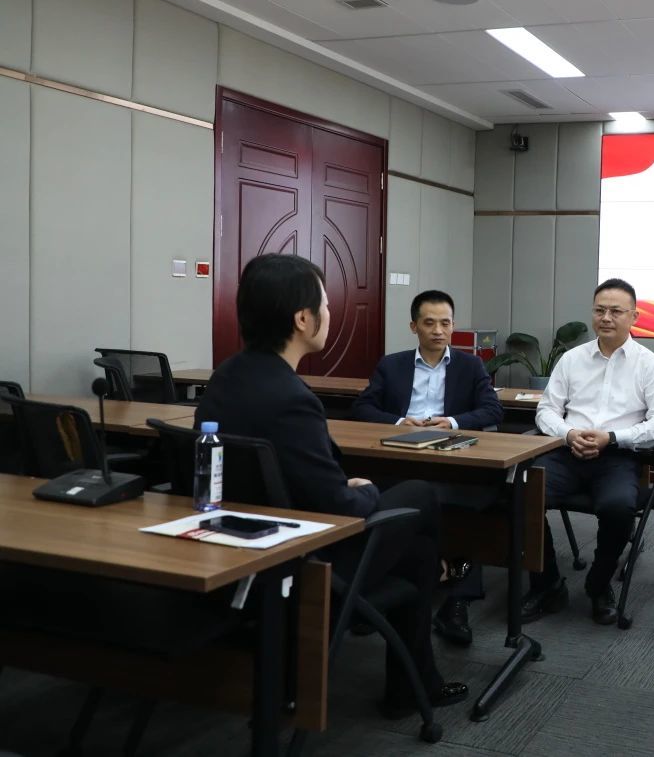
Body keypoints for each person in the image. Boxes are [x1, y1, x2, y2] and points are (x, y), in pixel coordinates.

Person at [195, 254, 467, 718]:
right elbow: (341, 506)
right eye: (325, 303)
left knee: (417, 553)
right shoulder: (292, 398)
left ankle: (415, 681)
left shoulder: (225, 376)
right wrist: (363, 488)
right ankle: (412, 681)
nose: (330, 312)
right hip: (304, 558)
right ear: (303, 319)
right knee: (419, 497)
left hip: (238, 539)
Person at [520, 278, 654, 626]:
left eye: (616, 311)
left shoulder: (648, 364)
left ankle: (598, 585)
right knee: (521, 493)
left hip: (617, 456)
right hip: (567, 452)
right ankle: (547, 584)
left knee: (619, 508)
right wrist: (568, 433)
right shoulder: (572, 359)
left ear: (634, 316)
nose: (606, 318)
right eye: (599, 310)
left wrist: (613, 437)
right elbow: (546, 410)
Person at [351, 288, 504, 646]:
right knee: (392, 505)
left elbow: (492, 410)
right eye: (429, 323)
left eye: (445, 323)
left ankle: (457, 602)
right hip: (401, 458)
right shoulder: (392, 364)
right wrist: (399, 421)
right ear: (414, 326)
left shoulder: (470, 365)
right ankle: (382, 593)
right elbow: (362, 408)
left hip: (454, 459)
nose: (438, 330)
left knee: (467, 508)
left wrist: (451, 422)